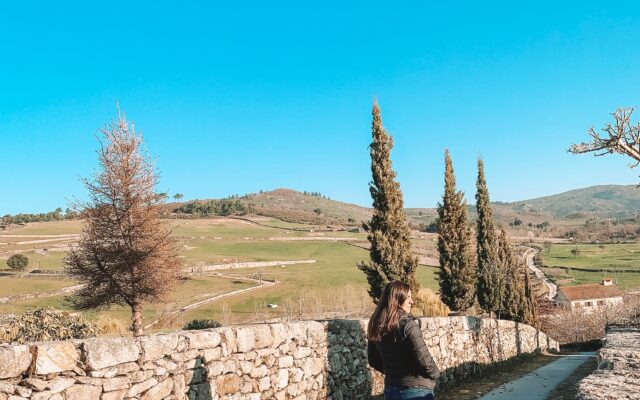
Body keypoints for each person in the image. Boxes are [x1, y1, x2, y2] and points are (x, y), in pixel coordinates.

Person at [367, 281, 440, 400]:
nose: (412, 301)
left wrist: (393, 374)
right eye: (409, 297)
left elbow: (373, 360)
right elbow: (424, 359)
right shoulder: (409, 326)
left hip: (390, 389)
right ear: (398, 299)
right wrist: (436, 374)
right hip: (416, 391)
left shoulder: (375, 324)